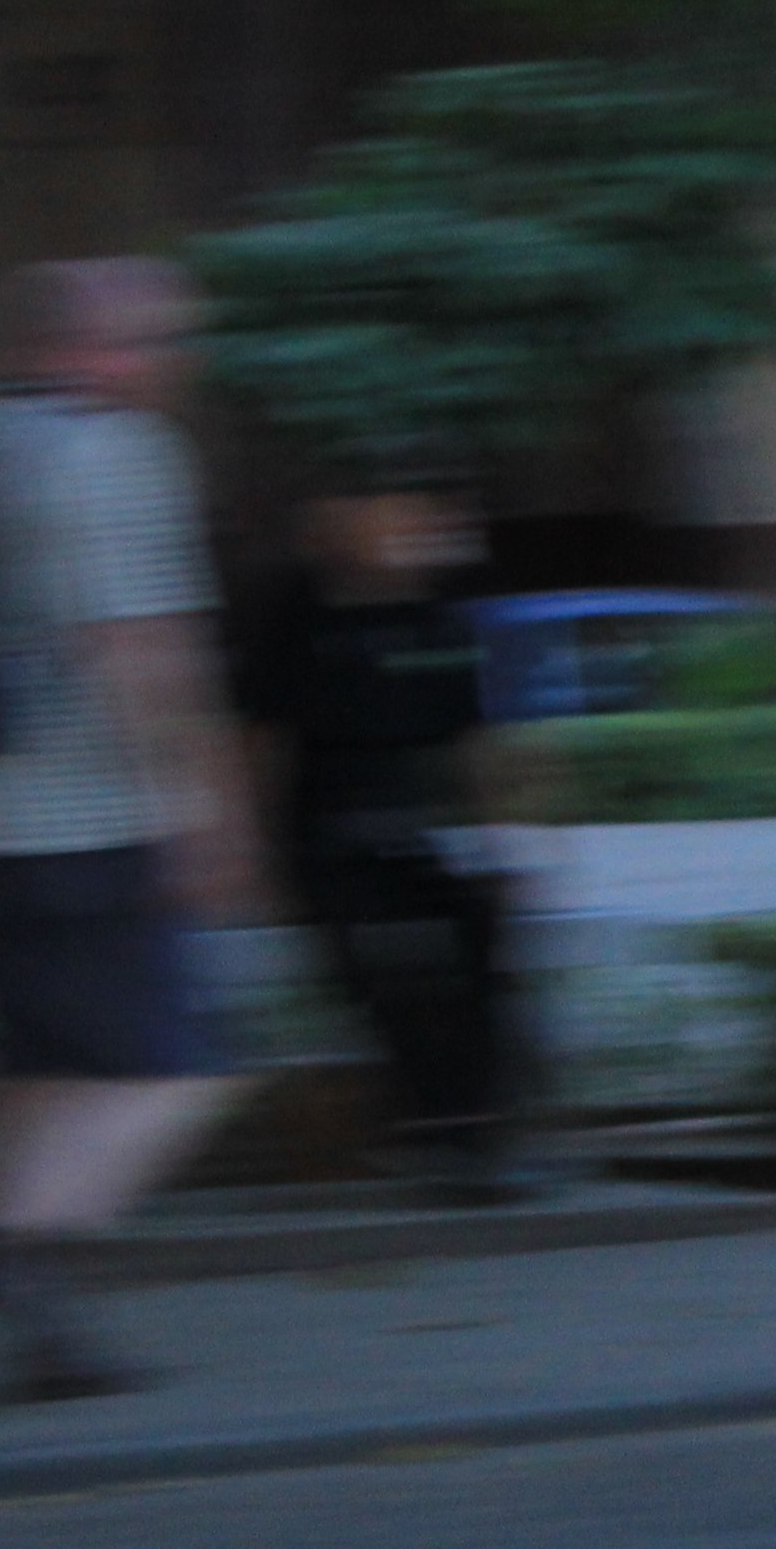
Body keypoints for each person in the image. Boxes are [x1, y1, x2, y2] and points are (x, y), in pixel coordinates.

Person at [0, 256, 264, 1403]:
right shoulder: (114, 453)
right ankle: (18, 1257)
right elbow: (143, 651)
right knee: (177, 1072)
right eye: (159, 339)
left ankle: (26, 1301)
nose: (177, 361)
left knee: (42, 1067)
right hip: (95, 815)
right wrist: (202, 811)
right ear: (90, 346)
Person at [233, 460, 533, 1201]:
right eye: (386, 516)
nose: (403, 533)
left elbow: (473, 737)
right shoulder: (295, 614)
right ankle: (436, 1128)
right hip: (325, 828)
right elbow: (260, 740)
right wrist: (254, 849)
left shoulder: (436, 612)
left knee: (481, 954)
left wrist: (505, 834)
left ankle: (474, 1129)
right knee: (379, 982)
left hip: (421, 828)